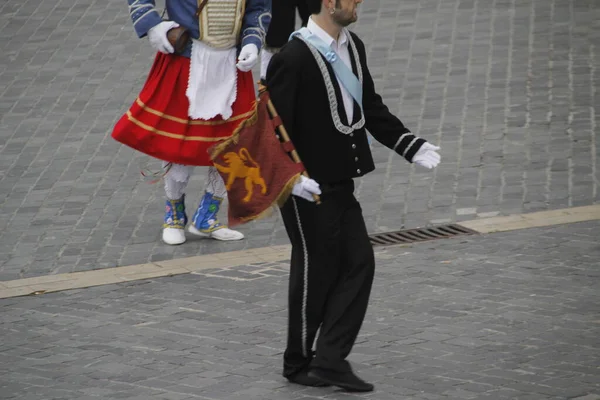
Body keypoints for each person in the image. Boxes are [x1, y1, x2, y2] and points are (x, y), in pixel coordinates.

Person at [266, 0, 441, 392]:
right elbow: (272, 129)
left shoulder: (353, 45)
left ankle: (329, 359)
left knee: (360, 263)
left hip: (341, 182)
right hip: (305, 189)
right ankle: (298, 362)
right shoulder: (293, 58)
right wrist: (291, 180)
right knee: (316, 272)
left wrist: (408, 145)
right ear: (329, 2)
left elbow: (370, 106)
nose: (358, 1)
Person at [112, 0, 271, 245]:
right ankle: (173, 216)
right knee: (180, 145)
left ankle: (206, 217)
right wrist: (153, 25)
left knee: (230, 146)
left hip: (231, 60)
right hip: (187, 58)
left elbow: (259, 6)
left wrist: (252, 40)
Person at [260, 0, 310, 79]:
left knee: (287, 80)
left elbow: (306, 14)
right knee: (266, 81)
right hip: (269, 44)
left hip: (286, 44)